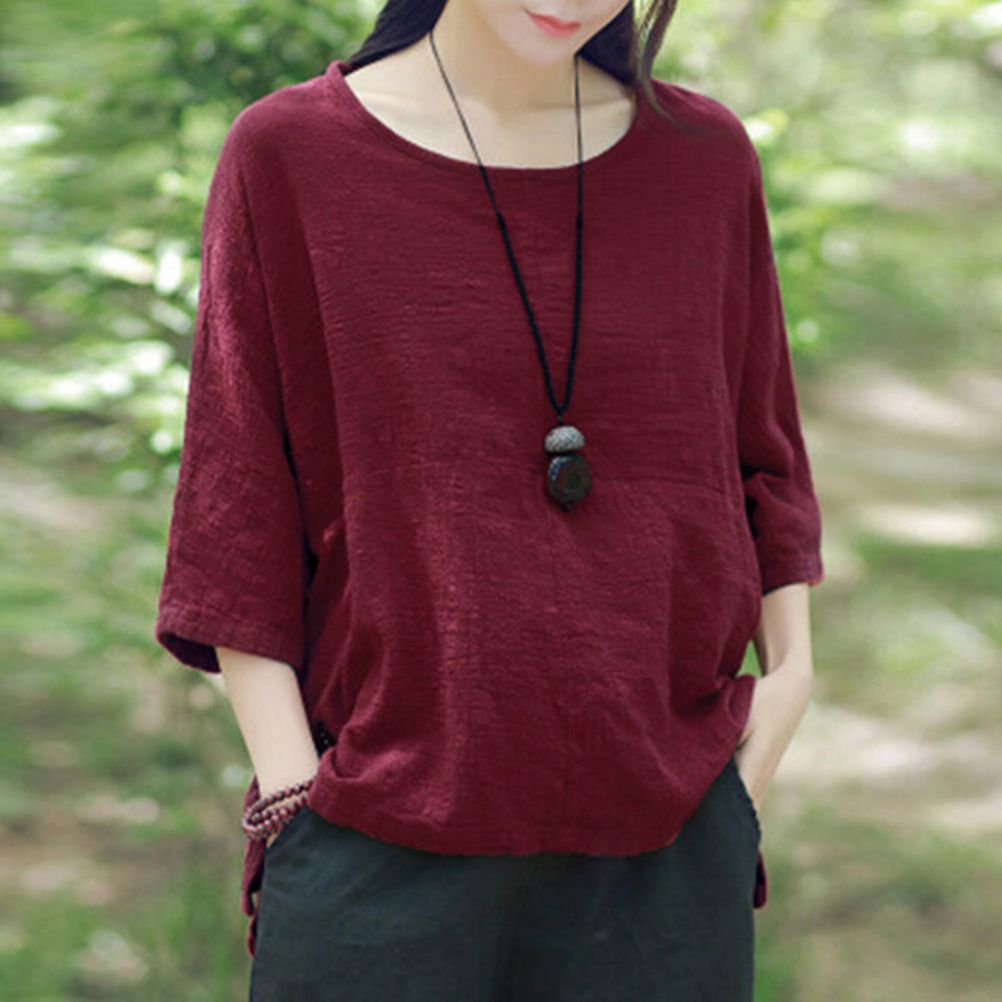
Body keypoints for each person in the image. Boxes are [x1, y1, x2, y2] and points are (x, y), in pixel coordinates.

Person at [154, 0, 824, 998]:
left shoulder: (704, 160)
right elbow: (238, 504)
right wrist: (296, 801)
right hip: (375, 849)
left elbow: (759, 453)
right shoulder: (290, 154)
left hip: (665, 850)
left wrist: (787, 687)